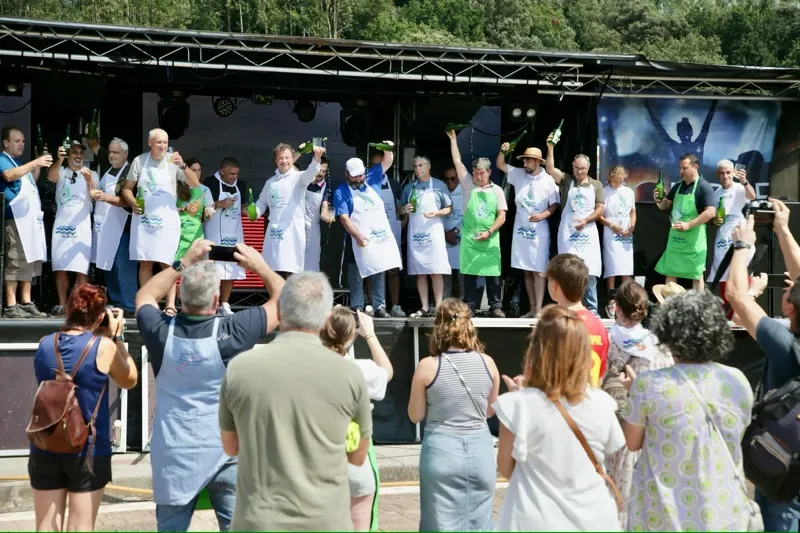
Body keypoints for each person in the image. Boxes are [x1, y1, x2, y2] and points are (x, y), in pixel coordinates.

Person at [136, 238, 283, 532]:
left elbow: (144, 296)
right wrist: (260, 266)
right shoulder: (234, 329)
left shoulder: (159, 331)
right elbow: (285, 301)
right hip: (227, 450)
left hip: (174, 451)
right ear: (217, 301)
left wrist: (182, 263)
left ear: (179, 299)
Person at [218, 271, 373, 531]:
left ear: (280, 310)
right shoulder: (349, 374)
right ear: (326, 318)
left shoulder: (240, 368)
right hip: (324, 520)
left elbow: (231, 446)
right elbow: (357, 455)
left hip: (259, 520)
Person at [621, 290, 754, 531]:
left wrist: (632, 393)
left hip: (662, 514)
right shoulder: (738, 380)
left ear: (669, 332)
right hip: (724, 511)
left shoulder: (648, 384)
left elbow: (631, 442)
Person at [495, 305, 625, 531]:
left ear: (538, 351)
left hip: (535, 519)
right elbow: (611, 452)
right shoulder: (603, 403)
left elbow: (506, 469)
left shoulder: (518, 405)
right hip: (595, 518)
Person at [29, 284, 137, 532]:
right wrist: (117, 337)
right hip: (87, 449)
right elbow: (129, 380)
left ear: (69, 309)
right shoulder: (104, 346)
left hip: (45, 443)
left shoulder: (45, 343)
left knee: (45, 526)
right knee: (80, 527)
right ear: (100, 316)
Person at [726, 200, 800, 531]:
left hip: (785, 469)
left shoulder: (784, 342)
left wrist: (743, 245)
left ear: (790, 307)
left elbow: (735, 296)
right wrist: (782, 228)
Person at [408, 298, 500, 531]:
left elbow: (415, 415)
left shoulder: (428, 366)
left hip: (441, 449)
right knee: (481, 523)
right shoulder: (489, 363)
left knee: (439, 524)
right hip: (481, 451)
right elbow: (490, 411)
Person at [602, 280, 674, 527]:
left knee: (613, 500)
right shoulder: (659, 348)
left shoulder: (606, 342)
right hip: (650, 438)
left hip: (612, 433)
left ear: (617, 309)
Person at [321, 307, 393, 531]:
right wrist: (370, 334)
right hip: (354, 457)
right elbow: (387, 372)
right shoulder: (360, 369)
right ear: (351, 336)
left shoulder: (303, 369)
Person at [122, 128, 199, 303]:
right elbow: (127, 189)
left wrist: (183, 165)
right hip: (145, 221)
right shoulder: (139, 161)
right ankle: (146, 303)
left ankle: (170, 305)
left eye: (165, 142)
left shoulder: (174, 161)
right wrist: (133, 202)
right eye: (159, 142)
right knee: (145, 262)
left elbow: (194, 183)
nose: (163, 146)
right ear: (150, 143)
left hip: (166, 221)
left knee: (167, 264)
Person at [447, 130, 508, 317]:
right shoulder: (467, 184)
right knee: (470, 275)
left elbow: (502, 216)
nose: (478, 176)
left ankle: (495, 307)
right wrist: (454, 140)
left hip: (490, 239)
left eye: (481, 173)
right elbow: (457, 161)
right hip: (471, 238)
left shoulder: (497, 190)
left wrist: (489, 232)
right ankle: (471, 306)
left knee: (493, 275)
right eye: (475, 173)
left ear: (489, 172)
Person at [333, 151, 401, 318]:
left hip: (378, 237)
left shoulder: (372, 177)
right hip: (355, 237)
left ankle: (380, 306)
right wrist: (357, 236)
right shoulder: (341, 191)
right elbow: (344, 218)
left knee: (379, 270)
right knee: (356, 274)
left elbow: (388, 161)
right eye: (355, 176)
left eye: (361, 175)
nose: (359, 179)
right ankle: (357, 307)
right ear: (347, 174)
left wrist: (387, 149)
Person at [497, 144, 559, 317]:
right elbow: (500, 164)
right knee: (526, 270)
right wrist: (503, 151)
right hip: (521, 230)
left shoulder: (547, 180)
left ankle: (539, 309)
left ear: (538, 162)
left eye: (528, 160)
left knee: (539, 271)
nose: (525, 162)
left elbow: (555, 204)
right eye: (524, 159)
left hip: (539, 232)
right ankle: (532, 308)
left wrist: (544, 215)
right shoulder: (518, 174)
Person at [545, 137, 605, 315]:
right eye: (577, 168)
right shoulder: (566, 180)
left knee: (590, 273)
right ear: (573, 167)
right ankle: (566, 308)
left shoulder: (596, 185)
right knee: (567, 272)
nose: (580, 171)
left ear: (588, 168)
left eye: (583, 168)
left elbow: (600, 208)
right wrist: (550, 148)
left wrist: (586, 221)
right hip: (568, 234)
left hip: (588, 236)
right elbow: (549, 169)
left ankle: (592, 310)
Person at [0, 125, 50, 318]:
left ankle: (26, 301)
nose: (21, 144)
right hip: (14, 219)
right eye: (17, 141)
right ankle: (11, 305)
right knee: (15, 260)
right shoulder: (3, 160)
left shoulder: (18, 162)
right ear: (6, 143)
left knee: (28, 260)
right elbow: (9, 175)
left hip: (29, 221)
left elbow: (30, 180)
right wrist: (35, 161)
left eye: (23, 141)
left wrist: (36, 165)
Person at [252, 143, 325, 276]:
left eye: (287, 158)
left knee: (291, 273)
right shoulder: (270, 182)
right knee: (273, 273)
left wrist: (317, 159)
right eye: (280, 158)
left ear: (292, 159)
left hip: (292, 234)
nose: (284, 161)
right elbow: (262, 202)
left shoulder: (298, 178)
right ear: (275, 161)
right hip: (274, 234)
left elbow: (311, 173)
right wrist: (256, 212)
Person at [46, 140, 98, 316]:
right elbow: (51, 177)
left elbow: (97, 195)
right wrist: (59, 159)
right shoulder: (61, 171)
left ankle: (80, 306)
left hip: (82, 226)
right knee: (60, 267)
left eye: (80, 153)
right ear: (69, 155)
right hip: (61, 225)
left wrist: (90, 181)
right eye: (74, 153)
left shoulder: (91, 173)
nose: (78, 156)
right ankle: (62, 304)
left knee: (80, 267)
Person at [653, 153, 716, 291]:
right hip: (675, 240)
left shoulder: (703, 187)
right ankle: (669, 307)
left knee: (696, 274)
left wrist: (689, 225)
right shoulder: (678, 187)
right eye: (680, 168)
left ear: (695, 167)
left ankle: (699, 310)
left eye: (685, 168)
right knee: (670, 272)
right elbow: (664, 206)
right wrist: (658, 199)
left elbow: (711, 212)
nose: (681, 171)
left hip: (694, 243)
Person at [545, 253, 610, 386]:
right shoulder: (599, 326)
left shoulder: (557, 325)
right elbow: (600, 377)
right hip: (591, 401)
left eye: (548, 280)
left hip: (563, 402)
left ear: (555, 285)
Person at [400, 156, 453, 317]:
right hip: (416, 234)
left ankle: (438, 306)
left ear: (429, 167)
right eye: (415, 166)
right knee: (420, 271)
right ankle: (423, 306)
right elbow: (399, 210)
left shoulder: (439, 185)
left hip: (434, 233)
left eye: (421, 165)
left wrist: (437, 212)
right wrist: (404, 210)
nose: (418, 169)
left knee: (436, 270)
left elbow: (449, 208)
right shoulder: (409, 188)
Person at [90, 138, 137, 314]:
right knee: (108, 265)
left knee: (122, 267)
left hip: (123, 228)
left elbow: (127, 201)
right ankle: (116, 302)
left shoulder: (129, 173)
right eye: (110, 152)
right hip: (105, 227)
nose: (111, 155)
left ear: (125, 154)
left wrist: (105, 197)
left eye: (116, 152)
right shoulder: (109, 170)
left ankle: (129, 306)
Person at [164, 165, 214, 315]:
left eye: (199, 171)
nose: (195, 174)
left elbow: (204, 213)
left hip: (196, 233)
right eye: (192, 171)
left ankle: (195, 305)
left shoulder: (200, 191)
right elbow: (167, 211)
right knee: (174, 269)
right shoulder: (174, 189)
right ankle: (170, 304)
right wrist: (183, 210)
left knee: (196, 272)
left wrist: (207, 213)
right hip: (178, 232)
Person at [203, 157, 247, 315]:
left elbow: (243, 206)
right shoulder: (209, 183)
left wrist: (246, 209)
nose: (234, 177)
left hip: (234, 233)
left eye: (236, 174)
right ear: (222, 171)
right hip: (214, 233)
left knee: (232, 269)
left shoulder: (241, 185)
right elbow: (201, 206)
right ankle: (210, 303)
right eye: (231, 173)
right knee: (213, 271)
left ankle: (225, 303)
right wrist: (219, 204)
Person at [706, 160, 756, 297]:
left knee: (742, 268)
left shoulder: (740, 187)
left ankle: (744, 307)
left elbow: (753, 196)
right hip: (723, 235)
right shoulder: (717, 193)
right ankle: (728, 310)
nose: (725, 176)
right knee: (722, 272)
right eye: (722, 173)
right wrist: (716, 220)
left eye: (728, 172)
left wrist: (745, 181)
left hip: (739, 231)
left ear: (733, 173)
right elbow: (716, 219)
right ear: (718, 175)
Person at [369, 150, 405, 317]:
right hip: (373, 232)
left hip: (391, 232)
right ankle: (373, 305)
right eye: (373, 165)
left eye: (379, 164)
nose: (377, 168)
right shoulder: (366, 183)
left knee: (392, 270)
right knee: (373, 270)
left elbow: (401, 209)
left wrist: (400, 225)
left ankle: (395, 305)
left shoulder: (395, 184)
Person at [598, 165, 636, 318]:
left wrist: (632, 227)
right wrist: (611, 225)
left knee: (626, 267)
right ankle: (612, 301)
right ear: (610, 178)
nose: (618, 184)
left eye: (621, 181)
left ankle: (626, 299)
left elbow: (633, 211)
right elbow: (599, 215)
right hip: (611, 230)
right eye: (615, 181)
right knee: (612, 266)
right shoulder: (605, 191)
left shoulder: (628, 192)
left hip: (626, 231)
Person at [304, 155, 334, 272]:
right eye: (318, 170)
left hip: (312, 229)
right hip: (296, 227)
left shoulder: (327, 188)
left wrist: (326, 214)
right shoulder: (302, 180)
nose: (320, 173)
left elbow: (326, 206)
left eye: (324, 171)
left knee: (311, 264)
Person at [441, 166, 464, 300]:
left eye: (453, 178)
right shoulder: (440, 191)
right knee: (445, 273)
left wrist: (455, 232)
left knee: (462, 274)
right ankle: (444, 303)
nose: (450, 182)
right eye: (446, 179)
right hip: (444, 238)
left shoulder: (466, 191)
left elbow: (468, 216)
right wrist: (444, 233)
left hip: (460, 238)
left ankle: (462, 302)